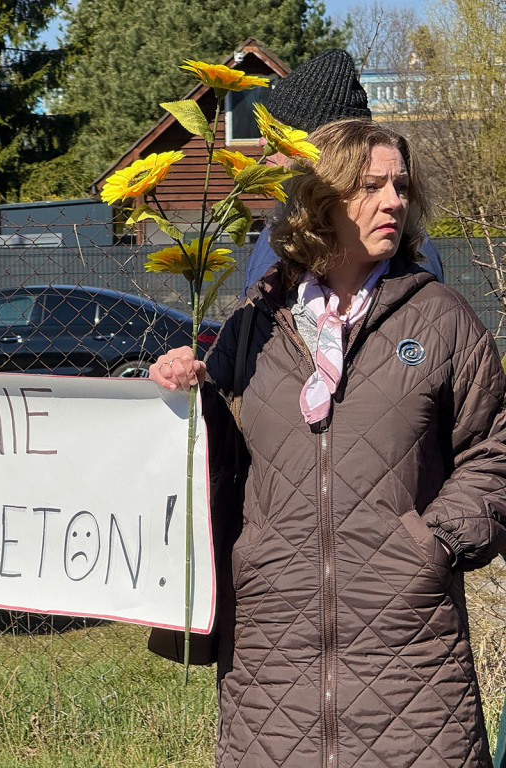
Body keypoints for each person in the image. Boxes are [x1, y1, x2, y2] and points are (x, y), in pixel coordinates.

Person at [151, 119, 506, 766]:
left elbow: (493, 454)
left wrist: (434, 544)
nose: (394, 200)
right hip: (271, 657)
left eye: (401, 185)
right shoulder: (253, 328)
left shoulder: (444, 320)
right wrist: (185, 391)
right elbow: (211, 463)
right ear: (321, 203)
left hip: (412, 655)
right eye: (371, 186)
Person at [243, 48, 444, 294]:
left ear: (321, 151)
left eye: (277, 133)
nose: (263, 143)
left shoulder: (407, 248)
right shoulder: (279, 234)